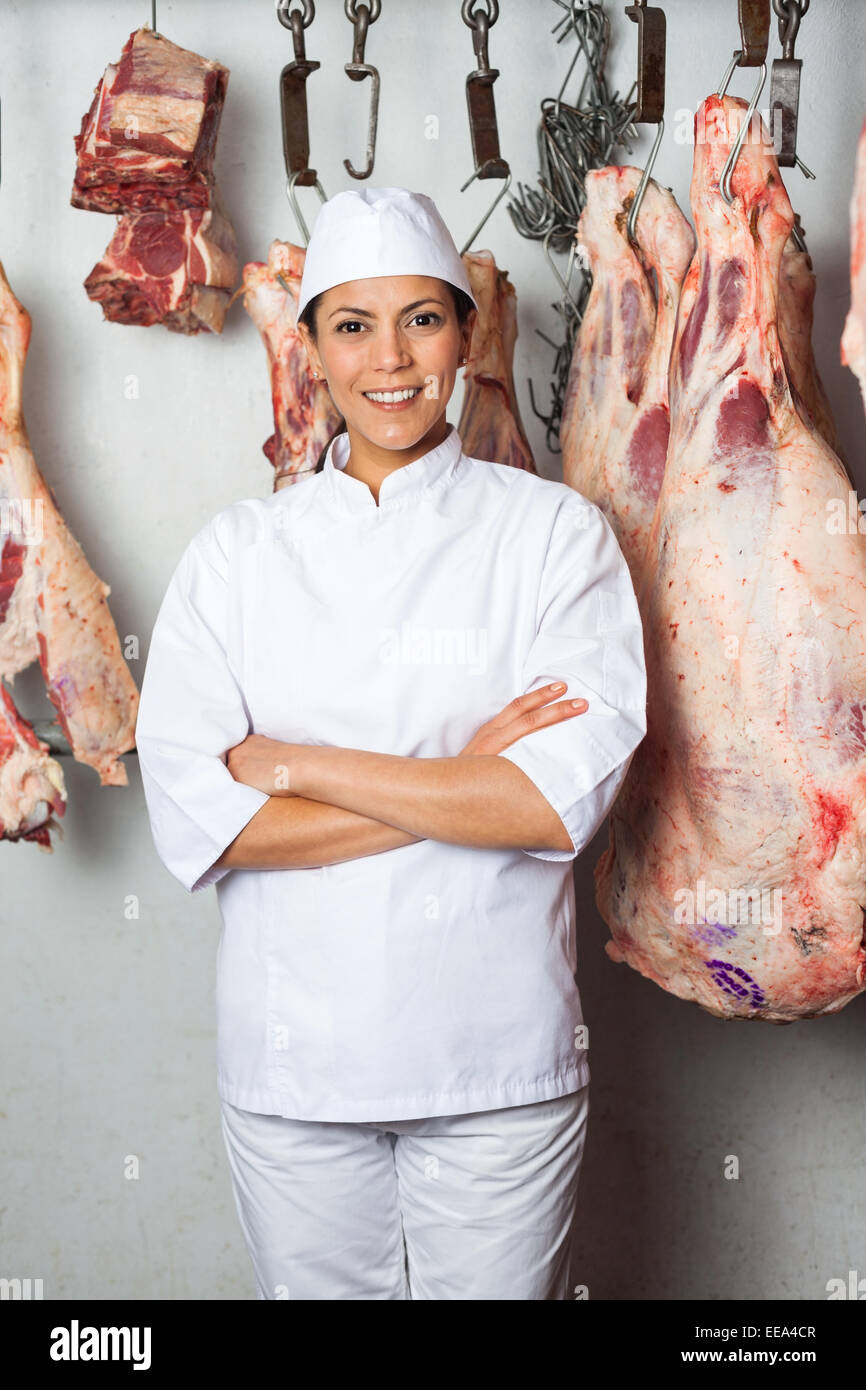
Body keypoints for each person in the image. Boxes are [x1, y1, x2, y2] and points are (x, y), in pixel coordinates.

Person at [134, 185, 647, 1301]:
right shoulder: (235, 556)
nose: (391, 360)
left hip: (496, 1068)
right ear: (310, 346)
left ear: (466, 332)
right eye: (353, 325)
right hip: (293, 1072)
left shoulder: (555, 536)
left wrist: (296, 764)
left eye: (422, 318)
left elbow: (549, 806)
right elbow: (201, 824)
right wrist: (462, 773)